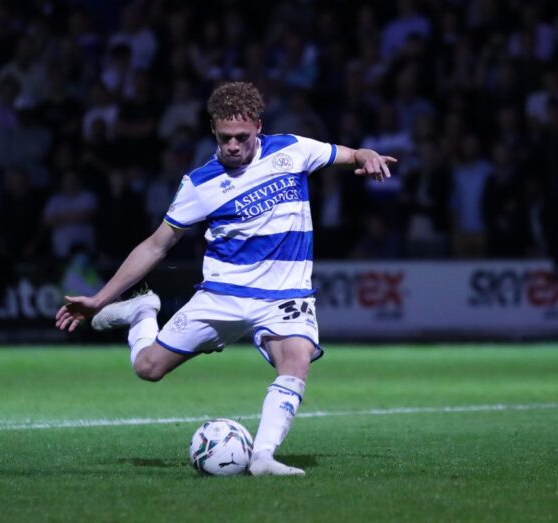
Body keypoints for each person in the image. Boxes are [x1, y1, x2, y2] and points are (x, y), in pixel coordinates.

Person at [54, 81, 397, 476]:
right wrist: (99, 299)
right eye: (224, 138)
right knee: (148, 368)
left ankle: (264, 456)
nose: (232, 145)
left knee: (296, 360)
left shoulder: (292, 149)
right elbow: (155, 246)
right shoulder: (199, 184)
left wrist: (367, 154)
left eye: (241, 137)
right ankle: (141, 313)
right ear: (213, 131)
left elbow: (351, 153)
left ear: (258, 126)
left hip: (284, 295)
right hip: (222, 296)